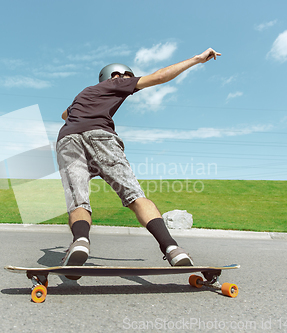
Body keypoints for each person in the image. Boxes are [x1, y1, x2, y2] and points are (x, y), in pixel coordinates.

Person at [56, 48, 221, 271]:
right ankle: (172, 248)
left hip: (67, 140)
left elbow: (64, 116)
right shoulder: (116, 83)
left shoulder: (84, 93)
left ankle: (80, 243)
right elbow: (160, 76)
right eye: (126, 76)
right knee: (134, 196)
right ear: (115, 75)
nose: (129, 81)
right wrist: (196, 59)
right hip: (100, 136)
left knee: (78, 199)